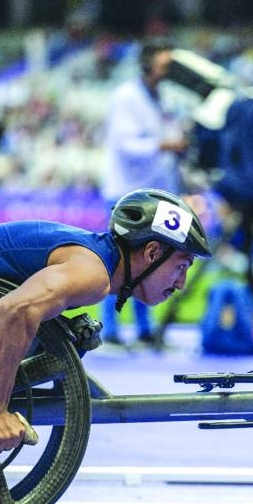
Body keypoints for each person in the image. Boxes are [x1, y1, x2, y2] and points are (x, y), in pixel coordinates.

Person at [0, 188, 210, 452]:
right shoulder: (92, 275)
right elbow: (14, 310)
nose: (181, 283)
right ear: (152, 252)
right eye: (181, 267)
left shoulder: (94, 260)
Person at [97, 38, 189, 347]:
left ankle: (145, 329)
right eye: (165, 64)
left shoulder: (161, 97)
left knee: (153, 262)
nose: (168, 71)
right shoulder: (127, 97)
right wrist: (166, 145)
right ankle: (107, 329)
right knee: (118, 260)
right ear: (148, 64)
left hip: (155, 194)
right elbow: (127, 147)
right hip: (127, 195)